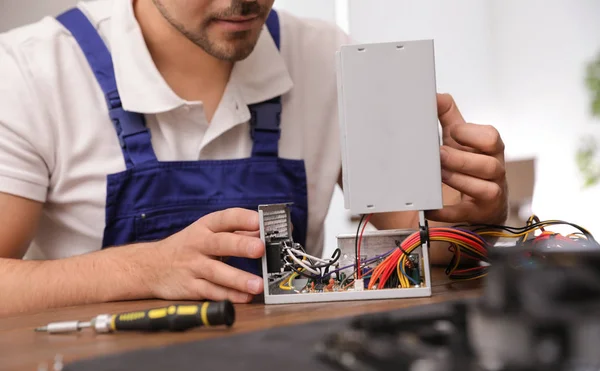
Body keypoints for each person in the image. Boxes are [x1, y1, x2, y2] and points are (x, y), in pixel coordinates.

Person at [0, 0, 507, 316]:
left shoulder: (325, 53)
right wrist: (140, 269)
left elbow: (417, 246)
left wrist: (472, 218)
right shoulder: (31, 71)